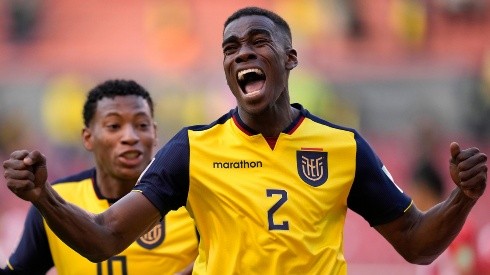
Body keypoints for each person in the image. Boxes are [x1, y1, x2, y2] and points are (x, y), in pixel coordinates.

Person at [3, 7, 488, 274]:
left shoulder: (343, 147)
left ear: (290, 57)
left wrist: (463, 197)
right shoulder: (194, 148)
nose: (242, 54)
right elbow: (107, 237)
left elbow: (415, 244)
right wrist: (42, 196)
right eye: (230, 48)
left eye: (257, 42)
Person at [1, 79, 198, 274]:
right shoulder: (56, 201)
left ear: (155, 133)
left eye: (142, 125)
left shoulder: (192, 201)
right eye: (113, 126)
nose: (130, 137)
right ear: (88, 138)